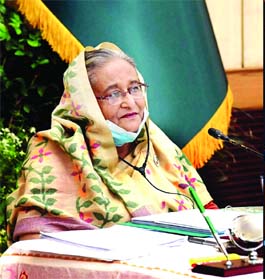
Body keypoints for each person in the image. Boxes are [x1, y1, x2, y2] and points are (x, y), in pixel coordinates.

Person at [6, 43, 218, 242]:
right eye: (114, 94)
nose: (130, 102)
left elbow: (211, 218)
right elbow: (34, 243)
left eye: (135, 88)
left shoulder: (158, 144)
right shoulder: (56, 150)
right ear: (85, 104)